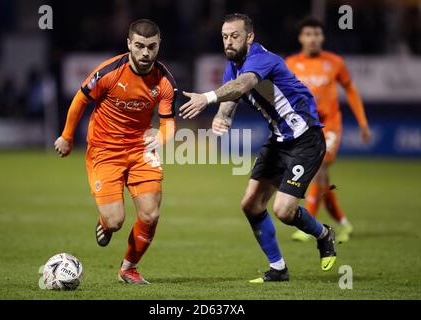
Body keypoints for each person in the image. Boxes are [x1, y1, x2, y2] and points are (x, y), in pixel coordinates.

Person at [179, 13, 336, 282]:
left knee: (283, 211)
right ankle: (278, 269)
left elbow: (245, 84)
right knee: (251, 205)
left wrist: (207, 98)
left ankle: (323, 234)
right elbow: (233, 94)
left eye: (235, 36)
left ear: (249, 37)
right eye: (225, 37)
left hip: (305, 139)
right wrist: (223, 115)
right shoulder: (234, 64)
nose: (229, 42)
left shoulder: (262, 58)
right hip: (278, 141)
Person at [54, 19, 177, 285]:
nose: (146, 53)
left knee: (151, 214)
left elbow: (168, 122)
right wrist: (66, 136)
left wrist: (162, 137)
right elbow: (80, 100)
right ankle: (105, 222)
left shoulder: (165, 81)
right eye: (140, 46)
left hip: (140, 149)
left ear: (159, 46)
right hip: (105, 151)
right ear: (129, 44)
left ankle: (128, 269)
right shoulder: (109, 72)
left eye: (152, 47)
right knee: (115, 221)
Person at [286, 17, 371, 243]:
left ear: (322, 37)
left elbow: (351, 91)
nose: (312, 39)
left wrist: (362, 123)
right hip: (305, 128)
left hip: (330, 125)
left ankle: (308, 225)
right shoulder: (291, 63)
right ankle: (344, 224)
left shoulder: (334, 62)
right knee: (322, 178)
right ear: (300, 38)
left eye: (316, 34)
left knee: (319, 168)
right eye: (308, 34)